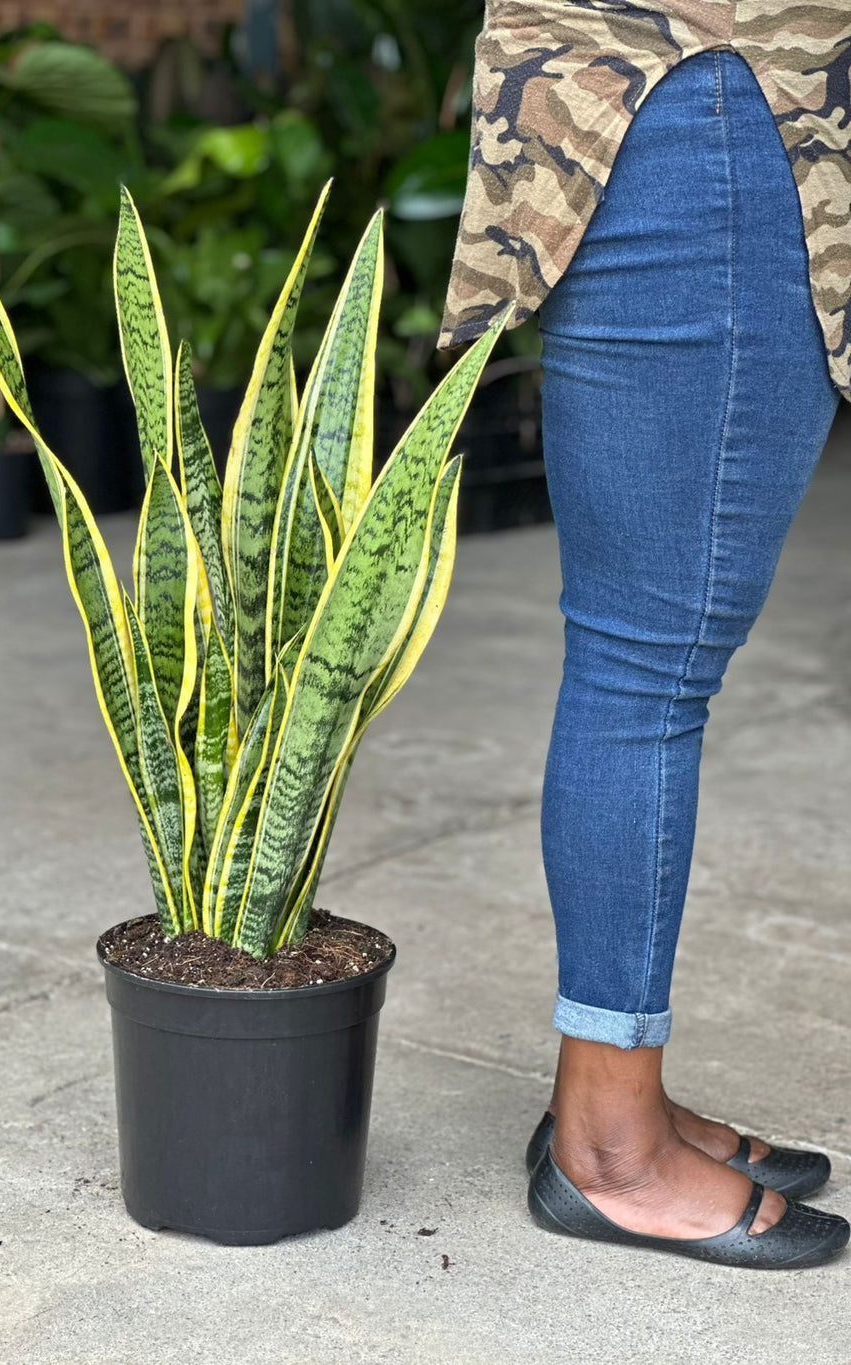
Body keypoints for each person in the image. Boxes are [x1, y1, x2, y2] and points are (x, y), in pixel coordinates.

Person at [438, 2, 851, 1269]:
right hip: (717, 106)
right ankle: (610, 1153)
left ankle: (606, 1102)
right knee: (646, 666)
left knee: (637, 658)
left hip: (677, 104)